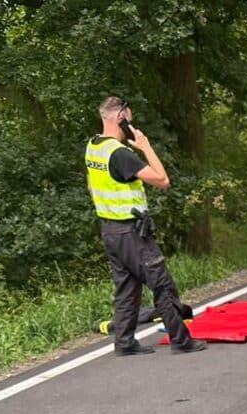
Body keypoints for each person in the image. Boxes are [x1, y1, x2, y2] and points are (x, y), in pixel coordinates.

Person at [85, 96, 205, 355]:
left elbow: (91, 184)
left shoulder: (93, 147)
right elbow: (162, 180)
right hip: (131, 233)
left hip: (109, 230)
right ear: (121, 118)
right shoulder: (120, 154)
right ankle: (182, 341)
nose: (132, 120)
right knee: (162, 285)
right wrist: (146, 146)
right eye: (129, 116)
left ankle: (125, 343)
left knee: (127, 288)